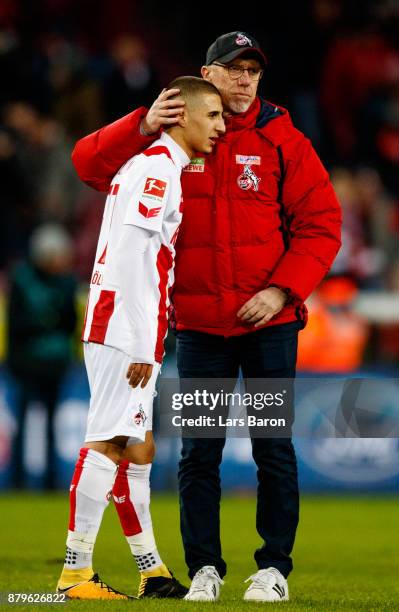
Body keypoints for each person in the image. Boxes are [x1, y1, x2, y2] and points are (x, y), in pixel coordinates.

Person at [71, 31, 342, 602]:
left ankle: (273, 568)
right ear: (206, 75)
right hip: (198, 330)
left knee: (273, 445)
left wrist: (282, 290)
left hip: (267, 326)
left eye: (253, 71)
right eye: (233, 69)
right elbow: (89, 167)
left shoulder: (283, 140)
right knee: (199, 450)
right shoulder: (173, 134)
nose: (244, 81)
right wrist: (139, 125)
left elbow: (322, 225)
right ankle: (204, 568)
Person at [56, 76, 225, 600]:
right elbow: (131, 258)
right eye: (214, 114)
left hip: (127, 327)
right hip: (123, 329)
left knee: (138, 447)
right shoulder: (156, 171)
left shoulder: (159, 166)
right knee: (108, 440)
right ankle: (75, 573)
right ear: (184, 115)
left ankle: (151, 571)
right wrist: (137, 345)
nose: (221, 126)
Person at [7, 223, 77, 489]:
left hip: (53, 365)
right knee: (22, 424)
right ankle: (17, 481)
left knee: (49, 425)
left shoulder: (67, 282)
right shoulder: (22, 279)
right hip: (26, 364)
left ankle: (49, 481)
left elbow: (70, 321)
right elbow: (17, 324)